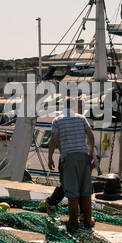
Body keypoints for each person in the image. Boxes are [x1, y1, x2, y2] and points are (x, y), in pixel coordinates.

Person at [46, 97, 96, 231]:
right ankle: (87, 222)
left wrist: (50, 158)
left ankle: (73, 222)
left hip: (68, 158)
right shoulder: (81, 118)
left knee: (72, 193)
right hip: (84, 157)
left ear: (62, 106)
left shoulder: (57, 120)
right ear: (73, 106)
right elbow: (90, 135)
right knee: (86, 192)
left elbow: (53, 140)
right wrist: (90, 151)